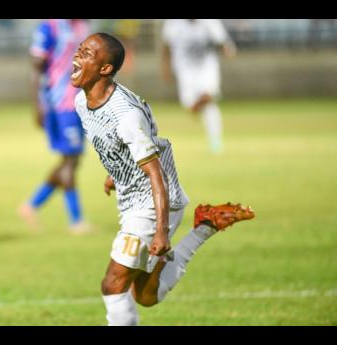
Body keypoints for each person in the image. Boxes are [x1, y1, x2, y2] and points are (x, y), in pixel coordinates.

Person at [71, 33, 254, 325]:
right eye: (79, 50)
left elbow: (155, 172)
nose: (77, 57)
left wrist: (161, 232)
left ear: (105, 69)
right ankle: (206, 226)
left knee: (113, 283)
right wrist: (114, 172)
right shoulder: (83, 102)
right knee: (145, 295)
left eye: (87, 54)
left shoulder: (126, 115)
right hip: (133, 200)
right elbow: (124, 142)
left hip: (153, 204)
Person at [19, 19, 91, 234]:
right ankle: (76, 220)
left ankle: (31, 205)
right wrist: (38, 104)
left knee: (73, 160)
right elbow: (36, 67)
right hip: (60, 103)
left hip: (80, 102)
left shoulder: (82, 26)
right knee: (70, 160)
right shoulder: (49, 27)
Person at [161, 19, 237, 154]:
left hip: (206, 68)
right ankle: (204, 100)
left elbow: (223, 41)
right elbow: (166, 47)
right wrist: (165, 69)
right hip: (185, 70)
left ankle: (215, 141)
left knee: (209, 100)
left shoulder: (210, 22)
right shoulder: (173, 23)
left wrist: (227, 49)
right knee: (190, 106)